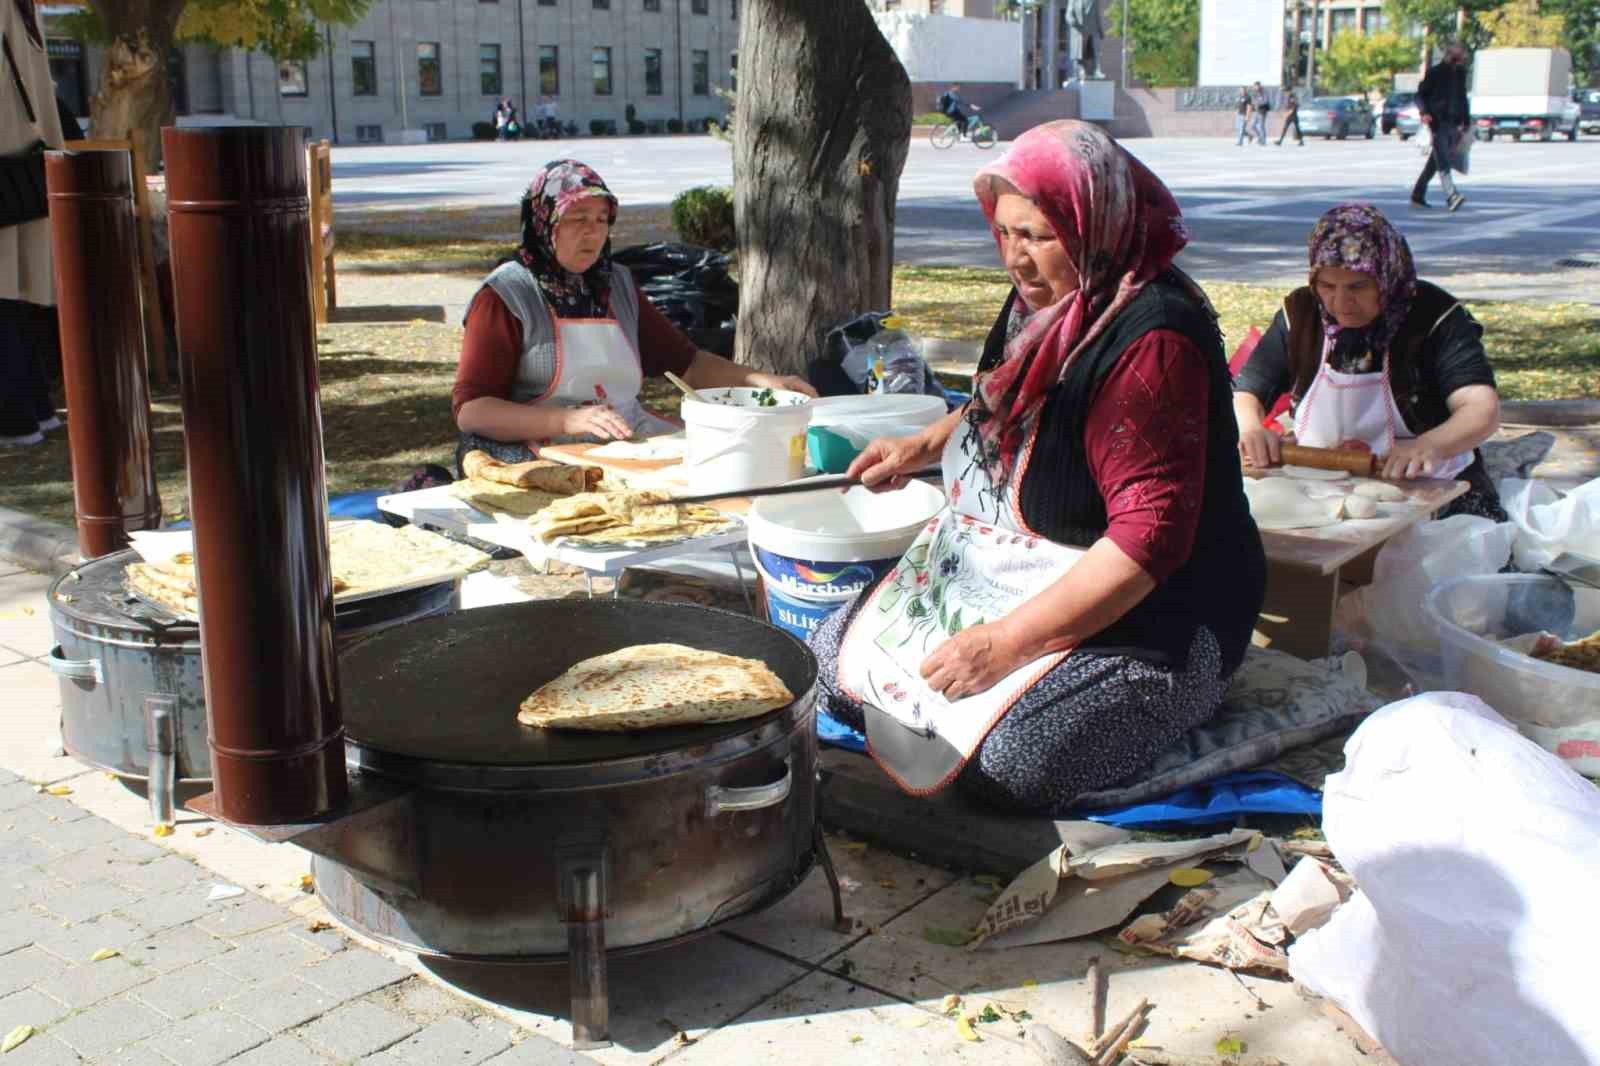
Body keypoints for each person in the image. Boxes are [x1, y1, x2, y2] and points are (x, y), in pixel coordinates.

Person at [807, 121, 1266, 813]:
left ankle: (1185, 696)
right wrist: (920, 447)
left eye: (1039, 237)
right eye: (1005, 234)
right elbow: (1000, 406)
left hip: (1158, 611)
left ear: (1094, 223)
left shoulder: (1154, 341)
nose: (1016, 261)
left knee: (1012, 764)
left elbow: (1152, 541)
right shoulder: (1046, 301)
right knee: (828, 663)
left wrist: (1005, 645)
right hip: (1015, 572)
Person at [451, 160, 813, 470]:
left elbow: (686, 363)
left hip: (622, 437)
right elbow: (472, 411)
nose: (592, 232)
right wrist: (566, 419)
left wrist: (764, 381)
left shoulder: (616, 284)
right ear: (544, 221)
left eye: (601, 219)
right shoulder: (505, 296)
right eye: (577, 218)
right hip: (540, 446)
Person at [1232, 203, 1504, 519]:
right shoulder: (1302, 313)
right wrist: (1251, 428)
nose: (1341, 303)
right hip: (1317, 487)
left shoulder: (1433, 315)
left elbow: (1480, 408)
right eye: (1327, 286)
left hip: (1432, 484)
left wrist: (1428, 445)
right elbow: (1248, 389)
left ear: (1387, 274)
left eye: (1358, 287)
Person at [0, 0, 66, 447]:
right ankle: (34, 409)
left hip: (7, 162)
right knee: (12, 292)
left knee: (5, 291)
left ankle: (20, 414)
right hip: (23, 163)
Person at [1413, 44, 1470, 212]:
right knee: (1444, 161)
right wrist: (1424, 112)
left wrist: (1466, 121)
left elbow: (1462, 97)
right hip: (1436, 123)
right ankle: (1452, 196)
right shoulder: (1435, 72)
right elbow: (1419, 95)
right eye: (1457, 57)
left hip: (1453, 123)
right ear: (1448, 55)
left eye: (1461, 58)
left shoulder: (1460, 73)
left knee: (1434, 162)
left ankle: (1418, 194)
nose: (1460, 61)